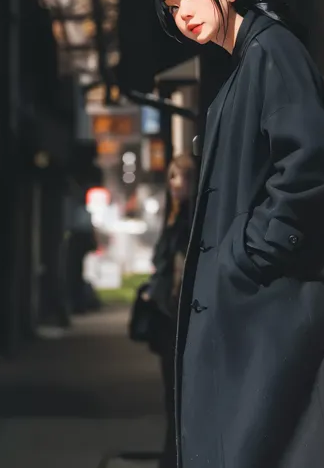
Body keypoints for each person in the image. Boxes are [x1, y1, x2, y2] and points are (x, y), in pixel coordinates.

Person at [151, 0, 324, 468]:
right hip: (252, 304)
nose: (183, 12)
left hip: (267, 305)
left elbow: (310, 165)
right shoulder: (248, 62)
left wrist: (249, 255)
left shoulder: (271, 51)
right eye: (172, 6)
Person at [145, 155, 195, 468]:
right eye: (173, 177)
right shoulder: (175, 216)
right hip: (168, 315)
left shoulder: (192, 219)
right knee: (171, 394)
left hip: (181, 316)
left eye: (183, 177)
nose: (176, 184)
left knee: (180, 394)